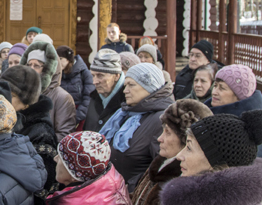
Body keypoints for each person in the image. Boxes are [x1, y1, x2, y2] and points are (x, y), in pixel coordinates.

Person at [0, 65, 58, 205]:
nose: (3, 99)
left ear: (26, 102)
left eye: (12, 95)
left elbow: (41, 190)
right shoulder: (9, 120)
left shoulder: (41, 133)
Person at [100, 63, 174, 191]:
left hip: (133, 196)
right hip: (113, 194)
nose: (125, 90)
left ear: (150, 87)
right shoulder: (125, 114)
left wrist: (131, 188)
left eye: (131, 85)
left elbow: (164, 168)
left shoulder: (161, 119)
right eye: (125, 85)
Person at [205, 64, 262, 158]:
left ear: (239, 96)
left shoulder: (246, 130)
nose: (214, 92)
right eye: (215, 86)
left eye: (222, 88)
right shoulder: (210, 114)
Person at [22, 40, 77, 141]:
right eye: (29, 65)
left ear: (49, 68)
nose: (31, 69)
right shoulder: (22, 94)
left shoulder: (62, 98)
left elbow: (64, 135)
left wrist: (36, 143)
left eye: (37, 65)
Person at [83, 50, 126, 132]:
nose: (94, 81)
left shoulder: (128, 101)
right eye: (93, 75)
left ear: (116, 76)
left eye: (100, 76)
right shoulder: (94, 98)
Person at [56, 46, 95, 127]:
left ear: (68, 59)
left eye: (61, 58)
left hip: (80, 118)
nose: (58, 62)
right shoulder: (56, 75)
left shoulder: (85, 74)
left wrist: (76, 117)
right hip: (60, 117)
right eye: (56, 59)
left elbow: (89, 98)